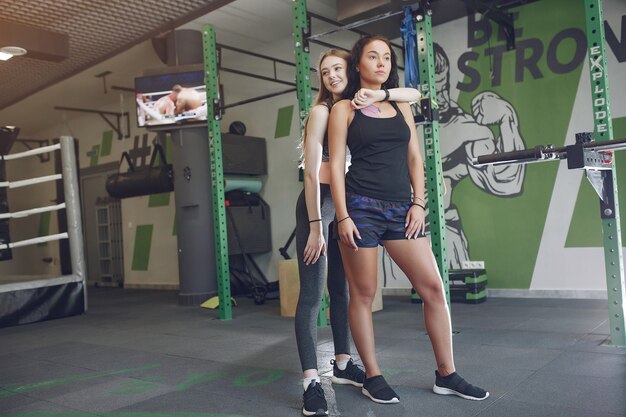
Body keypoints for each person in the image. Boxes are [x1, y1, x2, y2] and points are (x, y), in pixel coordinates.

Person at [328, 35, 489, 405]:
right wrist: (343, 216)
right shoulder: (344, 109)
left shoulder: (399, 104)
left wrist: (419, 202)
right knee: (364, 295)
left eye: (386, 57)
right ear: (358, 64)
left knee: (433, 287)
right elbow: (337, 165)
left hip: (402, 209)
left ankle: (446, 374)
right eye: (372, 56)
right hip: (361, 207)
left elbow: (415, 158)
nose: (381, 63)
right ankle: (372, 374)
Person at [295, 49, 422, 416]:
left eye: (338, 68)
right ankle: (310, 381)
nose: (332, 75)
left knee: (342, 289)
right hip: (319, 208)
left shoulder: (360, 106)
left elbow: (411, 94)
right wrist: (317, 226)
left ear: (350, 71)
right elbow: (309, 172)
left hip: (350, 207)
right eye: (325, 72)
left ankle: (342, 364)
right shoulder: (322, 111)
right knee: (312, 294)